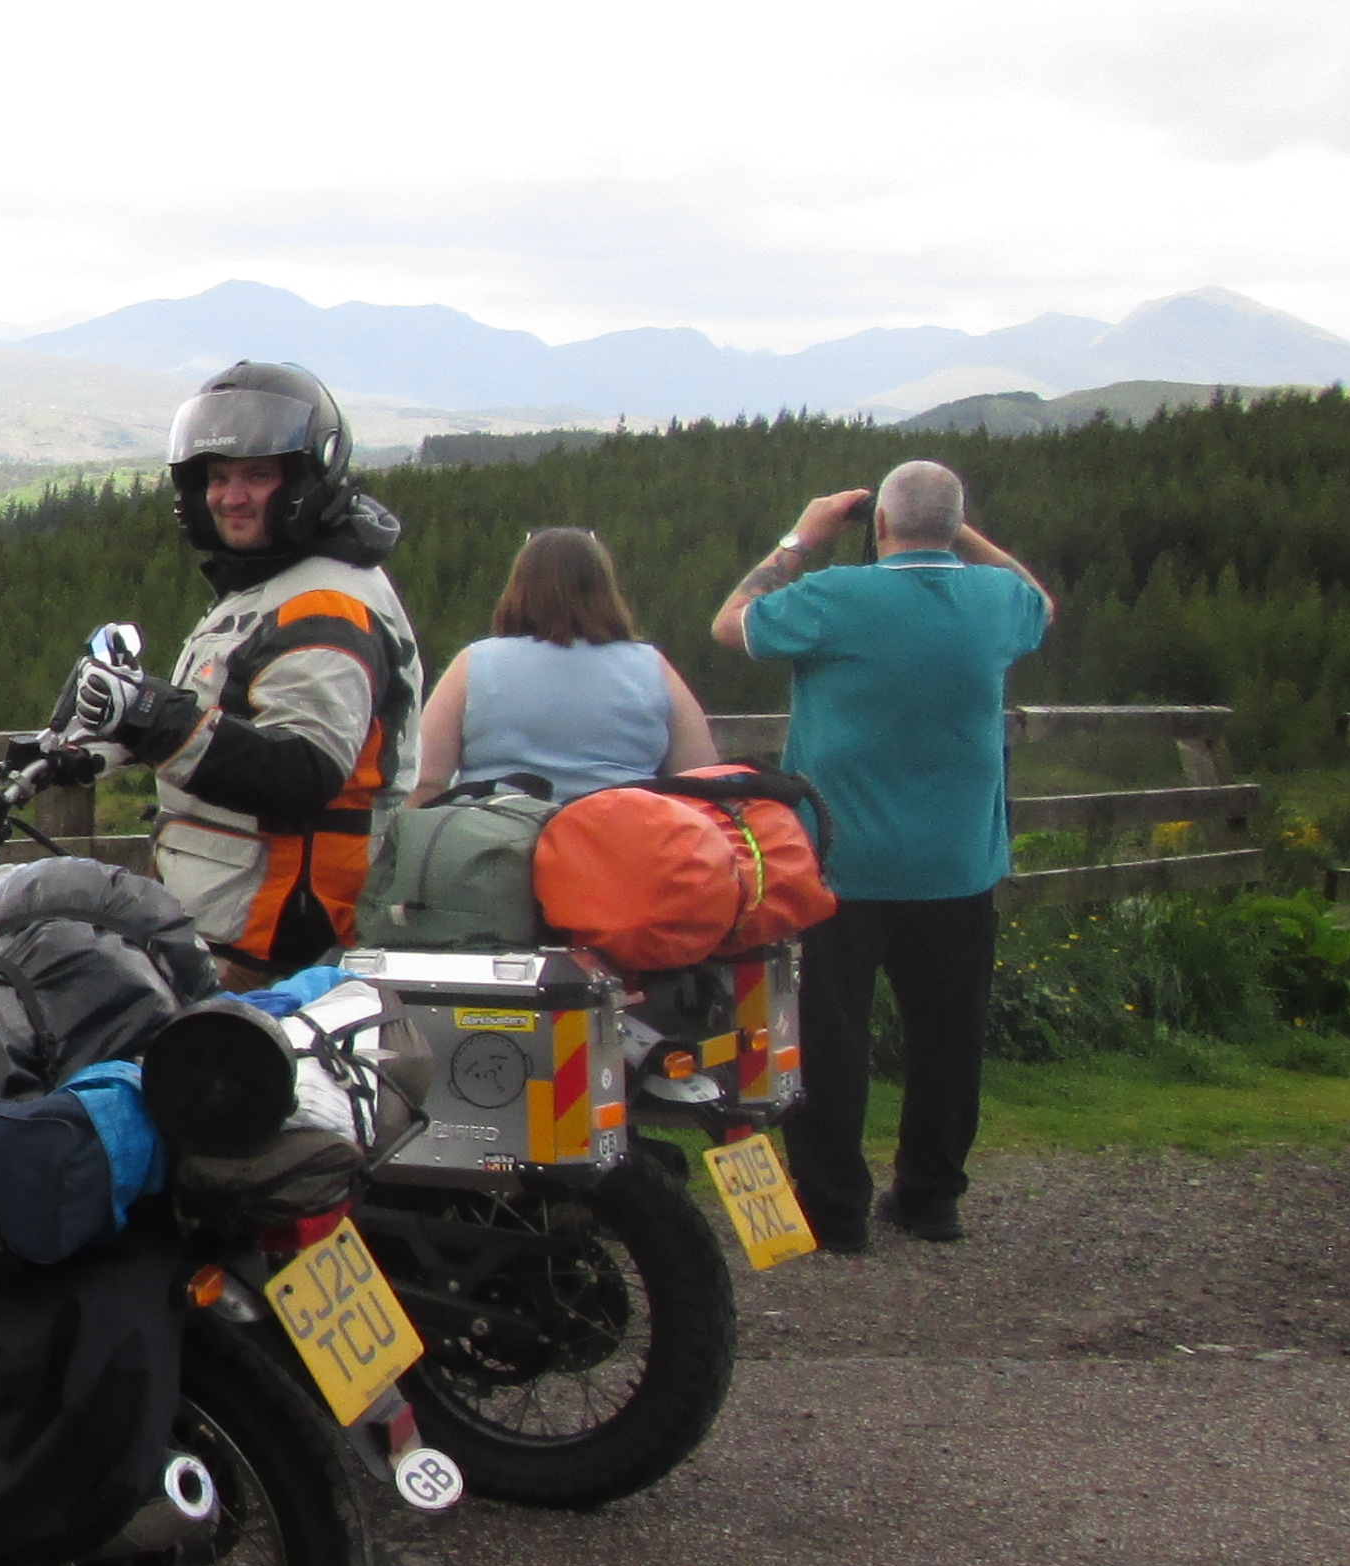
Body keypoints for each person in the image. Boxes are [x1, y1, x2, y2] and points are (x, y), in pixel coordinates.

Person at [709, 459, 1052, 1254]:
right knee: (948, 1037)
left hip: (840, 864)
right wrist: (960, 533)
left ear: (882, 525)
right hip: (957, 865)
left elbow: (731, 623)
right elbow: (1040, 599)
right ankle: (931, 1198)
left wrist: (804, 536)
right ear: (953, 528)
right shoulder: (996, 602)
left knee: (831, 1037)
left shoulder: (835, 597)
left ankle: (834, 1211)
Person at [55, 361, 424, 974]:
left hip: (278, 948)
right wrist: (103, 740)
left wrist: (159, 721)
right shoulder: (270, 585)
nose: (231, 497)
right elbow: (225, 722)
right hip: (222, 924)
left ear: (306, 478)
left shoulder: (326, 603)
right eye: (218, 477)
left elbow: (302, 769)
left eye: (257, 475)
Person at [411, 526, 723, 799]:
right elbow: (700, 776)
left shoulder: (475, 662)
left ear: (519, 587)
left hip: (496, 839)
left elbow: (426, 778)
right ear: (605, 589)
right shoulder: (652, 666)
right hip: (621, 838)